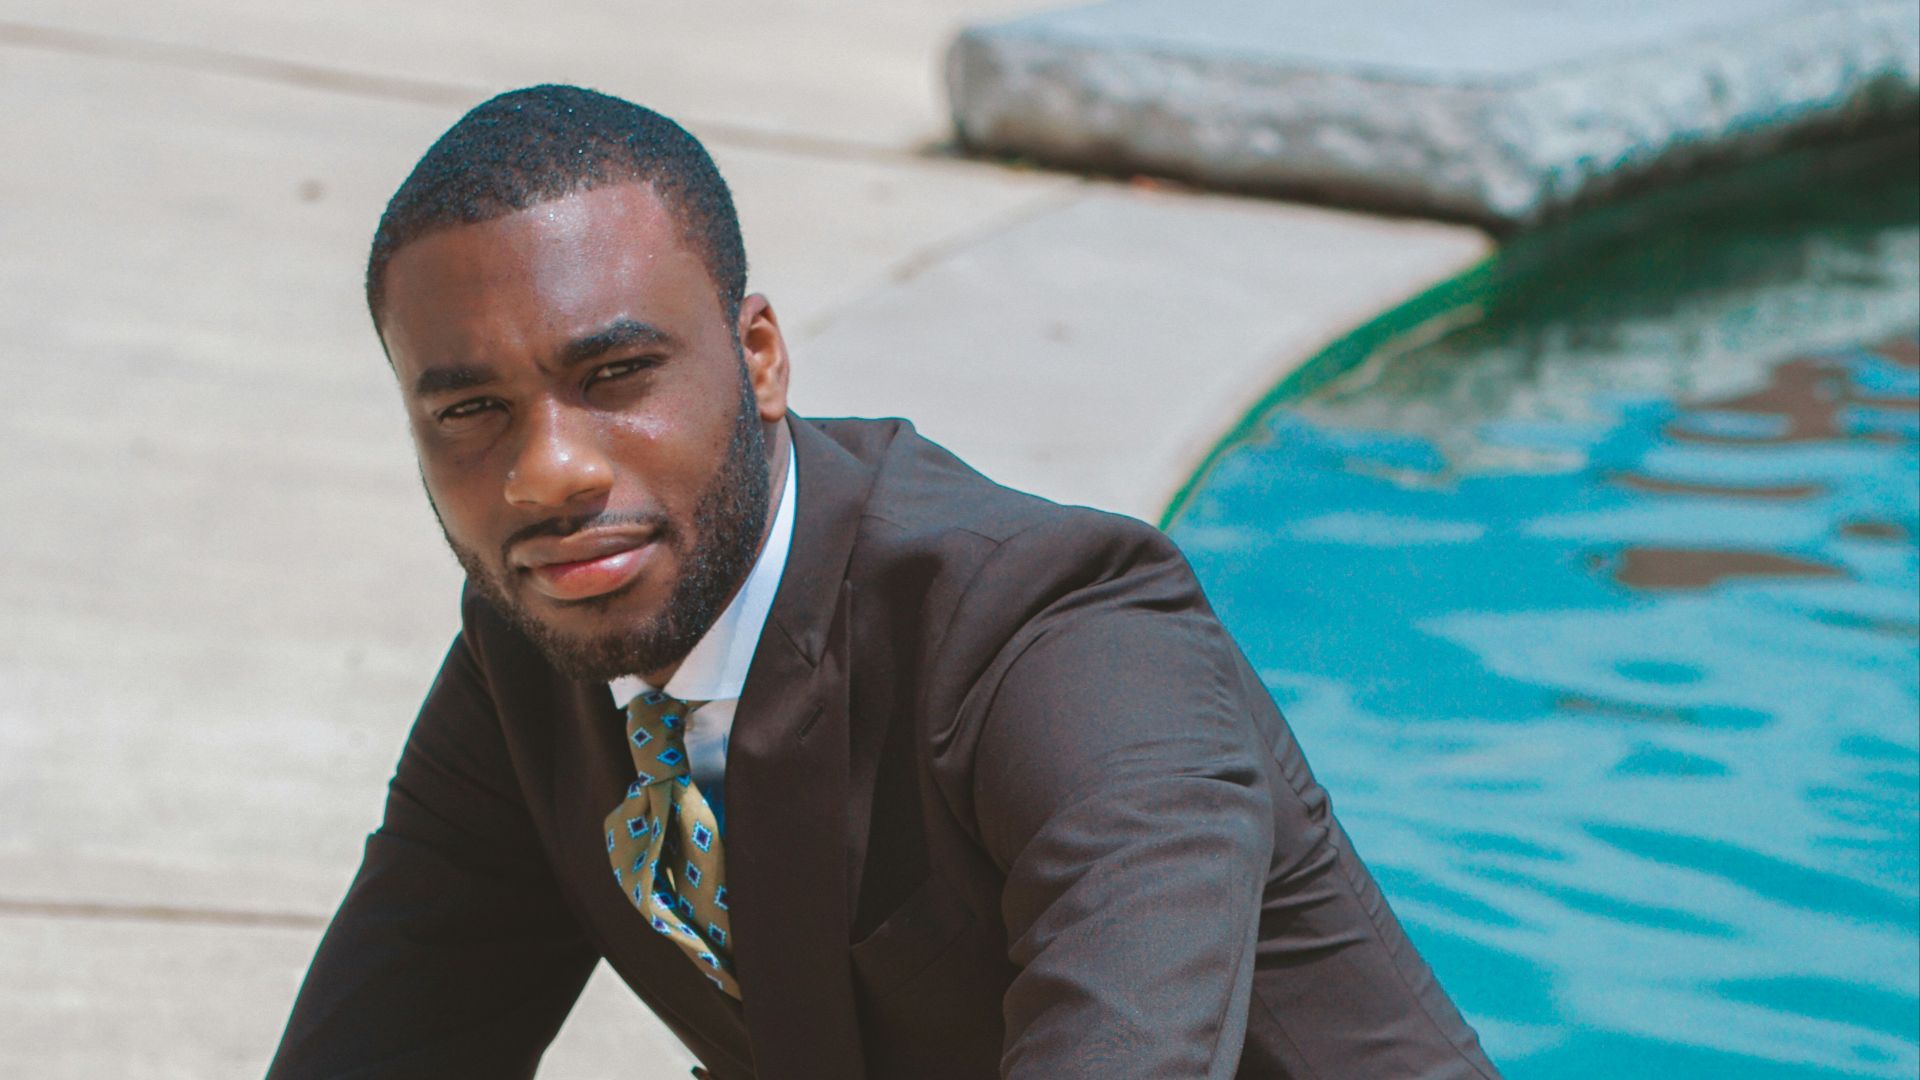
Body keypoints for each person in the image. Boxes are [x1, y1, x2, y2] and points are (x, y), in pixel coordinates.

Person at [267, 84, 1501, 1080]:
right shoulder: (534, 652)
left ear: (757, 358)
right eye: (472, 411)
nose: (547, 474)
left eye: (617, 377)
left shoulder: (1061, 631)